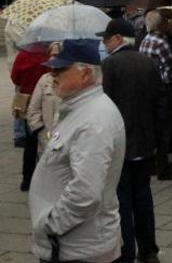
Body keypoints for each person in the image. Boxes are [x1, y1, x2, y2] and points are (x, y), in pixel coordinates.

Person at [29, 39, 126, 263]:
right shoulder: (78, 108)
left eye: (60, 69)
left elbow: (86, 191)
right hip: (73, 244)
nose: (53, 74)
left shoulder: (93, 119)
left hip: (78, 247)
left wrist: (51, 224)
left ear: (85, 74)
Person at [100, 19, 162, 263]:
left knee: (122, 200)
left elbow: (104, 107)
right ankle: (149, 250)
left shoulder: (109, 65)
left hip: (119, 144)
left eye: (106, 38)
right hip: (145, 142)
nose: (104, 43)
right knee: (143, 197)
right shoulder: (148, 62)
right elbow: (160, 101)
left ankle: (125, 252)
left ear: (117, 39)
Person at [139, 9, 172, 180]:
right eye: (165, 22)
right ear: (160, 25)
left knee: (153, 128)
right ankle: (162, 167)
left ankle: (153, 163)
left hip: (148, 88)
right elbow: (170, 67)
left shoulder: (145, 40)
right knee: (164, 130)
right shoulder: (161, 42)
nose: (168, 24)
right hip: (163, 89)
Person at [11, 45, 52, 191]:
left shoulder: (24, 54)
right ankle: (46, 179)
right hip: (47, 99)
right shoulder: (51, 53)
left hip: (27, 99)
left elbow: (15, 77)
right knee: (48, 139)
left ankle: (27, 179)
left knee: (30, 142)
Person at [26, 42, 62, 155]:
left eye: (56, 55)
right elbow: (33, 110)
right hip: (46, 140)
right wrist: (41, 132)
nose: (52, 58)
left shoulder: (72, 80)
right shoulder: (44, 80)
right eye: (51, 54)